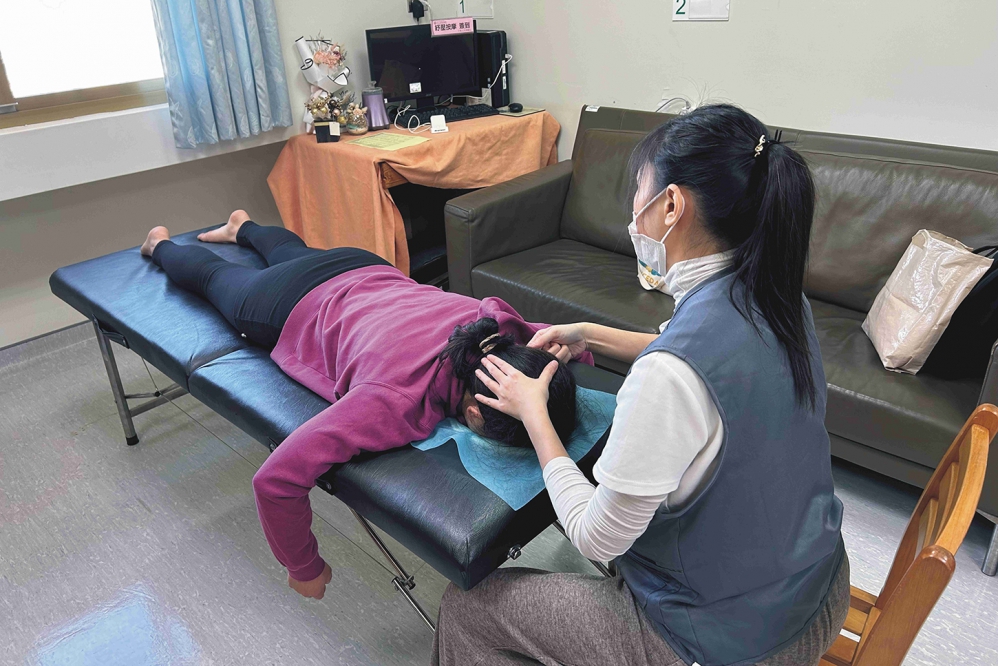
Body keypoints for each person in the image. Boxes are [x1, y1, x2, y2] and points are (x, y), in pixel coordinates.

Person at [432, 104, 849, 666]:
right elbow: (691, 354)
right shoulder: (776, 297)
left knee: (468, 607)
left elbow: (596, 537)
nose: (633, 206)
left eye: (638, 189)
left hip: (728, 645)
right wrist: (588, 334)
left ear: (671, 205)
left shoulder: (668, 377)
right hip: (818, 585)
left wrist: (534, 415)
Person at [139, 213, 582, 599]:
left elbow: (568, 343)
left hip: (363, 265)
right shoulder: (394, 400)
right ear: (473, 415)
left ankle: (244, 226)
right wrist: (304, 568)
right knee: (213, 277)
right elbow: (275, 480)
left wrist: (572, 361)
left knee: (292, 251)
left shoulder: (498, 326)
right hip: (289, 300)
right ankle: (158, 245)